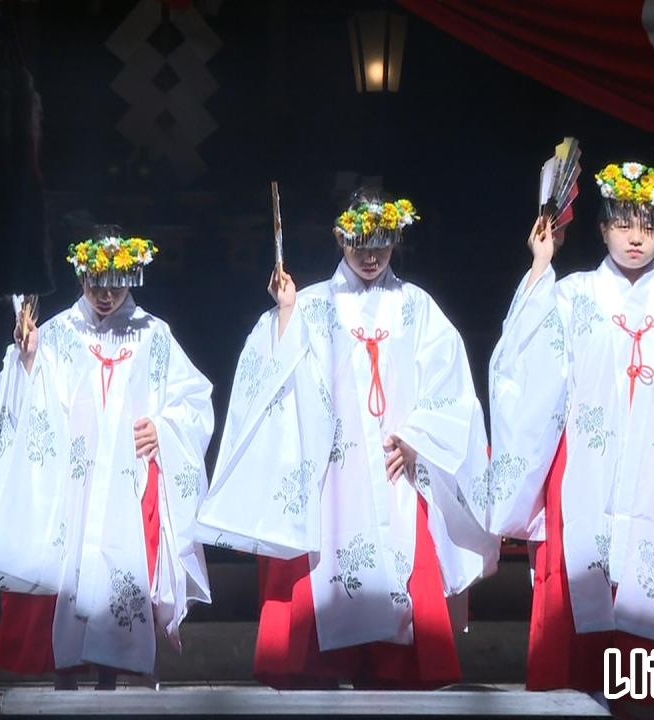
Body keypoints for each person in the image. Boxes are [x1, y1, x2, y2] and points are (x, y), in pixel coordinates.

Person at [485, 162, 654, 702]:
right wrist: (542, 266)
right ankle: (569, 692)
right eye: (624, 223)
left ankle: (649, 699)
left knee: (653, 582)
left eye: (650, 225)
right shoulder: (572, 296)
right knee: (577, 585)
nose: (636, 238)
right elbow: (520, 359)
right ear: (603, 227)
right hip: (585, 467)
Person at [197, 191, 497, 689]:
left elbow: (452, 386)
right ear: (340, 237)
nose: (371, 254)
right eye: (359, 242)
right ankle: (320, 665)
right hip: (330, 473)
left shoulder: (417, 306)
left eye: (381, 242)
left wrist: (418, 437)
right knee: (326, 559)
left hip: (393, 465)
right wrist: (286, 315)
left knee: (399, 561)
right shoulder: (313, 303)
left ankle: (393, 666)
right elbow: (278, 379)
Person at [0, 226, 213, 689]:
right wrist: (28, 360)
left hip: (125, 481)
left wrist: (163, 427)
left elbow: (193, 397)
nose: (105, 294)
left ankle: (109, 679)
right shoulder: (58, 334)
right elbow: (23, 400)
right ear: (81, 275)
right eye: (96, 283)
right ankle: (64, 679)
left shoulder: (153, 336)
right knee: (69, 574)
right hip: (71, 480)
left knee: (118, 572)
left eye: (116, 284)